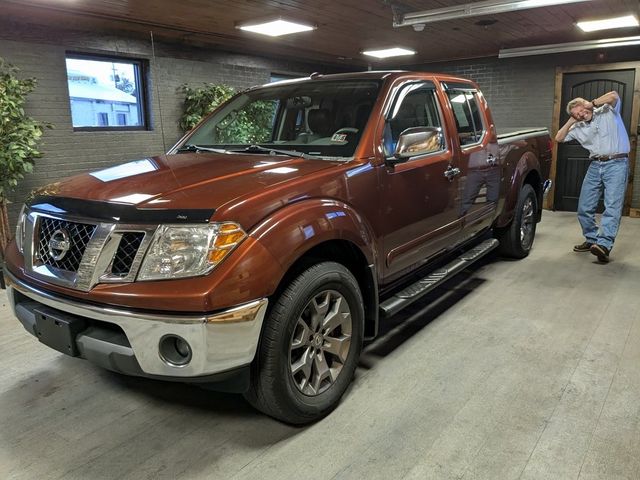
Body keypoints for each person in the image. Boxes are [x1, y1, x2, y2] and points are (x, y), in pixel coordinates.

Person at [555, 91, 630, 263]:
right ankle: (592, 239)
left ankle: (604, 245)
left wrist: (592, 103)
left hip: (617, 164)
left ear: (586, 104)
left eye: (581, 109)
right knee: (584, 207)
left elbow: (614, 95)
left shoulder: (607, 111)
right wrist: (571, 120)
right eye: (576, 114)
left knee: (612, 205)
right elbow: (559, 137)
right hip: (595, 165)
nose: (580, 114)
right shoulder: (578, 127)